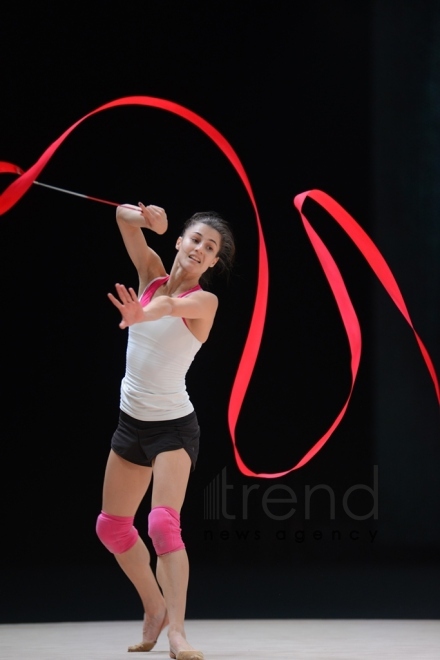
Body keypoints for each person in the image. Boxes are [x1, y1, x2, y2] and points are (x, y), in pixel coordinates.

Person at [95, 201, 235, 660]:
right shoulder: (150, 272)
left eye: (209, 248)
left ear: (213, 262)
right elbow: (120, 218)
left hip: (174, 427)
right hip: (131, 423)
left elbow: (172, 304)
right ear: (179, 241)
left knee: (161, 523)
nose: (200, 248)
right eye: (195, 239)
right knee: (112, 528)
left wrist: (144, 314)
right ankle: (153, 607)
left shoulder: (204, 301)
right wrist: (144, 219)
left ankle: (177, 633)